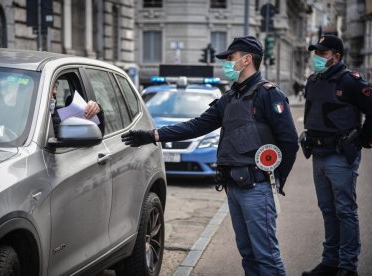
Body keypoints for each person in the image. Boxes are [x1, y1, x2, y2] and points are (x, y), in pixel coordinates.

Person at [121, 36, 299, 276]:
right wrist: (152, 135)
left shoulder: (269, 94)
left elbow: (289, 142)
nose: (226, 63)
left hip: (257, 187)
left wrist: (275, 179)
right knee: (248, 254)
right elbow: (195, 126)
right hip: (234, 186)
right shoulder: (230, 97)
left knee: (266, 255)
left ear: (247, 60)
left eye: (230, 58)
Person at [300, 35, 372, 276]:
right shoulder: (313, 80)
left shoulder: (350, 81)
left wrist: (363, 139)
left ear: (336, 56)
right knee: (328, 210)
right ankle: (330, 262)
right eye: (316, 53)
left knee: (344, 211)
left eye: (322, 53)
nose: (317, 57)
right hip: (318, 154)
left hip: (340, 155)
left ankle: (347, 266)